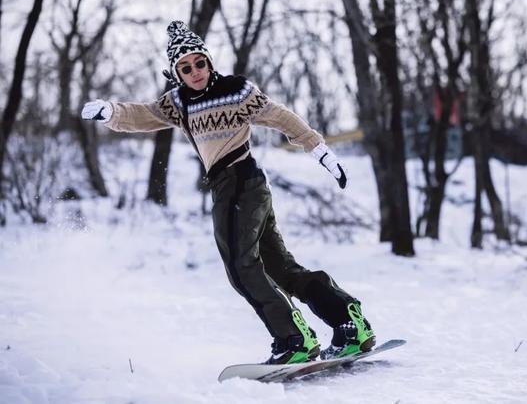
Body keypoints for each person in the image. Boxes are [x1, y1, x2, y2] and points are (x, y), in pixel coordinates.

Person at [81, 20, 375, 364]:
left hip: (241, 183)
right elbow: (144, 115)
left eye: (200, 63)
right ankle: (347, 322)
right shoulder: (178, 103)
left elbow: (281, 118)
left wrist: (319, 149)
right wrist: (111, 112)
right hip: (238, 188)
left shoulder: (236, 92)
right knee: (279, 268)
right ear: (177, 73)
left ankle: (293, 339)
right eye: (185, 67)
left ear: (209, 61)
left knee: (241, 267)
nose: (195, 72)